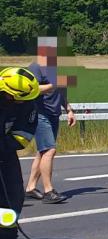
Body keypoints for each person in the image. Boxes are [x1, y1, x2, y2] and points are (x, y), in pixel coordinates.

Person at [24, 47, 75, 205]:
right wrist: (52, 84)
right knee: (49, 150)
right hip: (40, 113)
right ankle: (48, 191)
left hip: (54, 114)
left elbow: (61, 92)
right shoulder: (35, 67)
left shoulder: (56, 70)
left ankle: (31, 188)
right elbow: (31, 89)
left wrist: (69, 110)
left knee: (42, 152)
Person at [0, 67, 39, 239]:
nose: (22, 102)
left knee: (12, 197)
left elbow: (23, 135)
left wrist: (3, 146)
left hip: (5, 155)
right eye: (18, 98)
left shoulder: (27, 104)